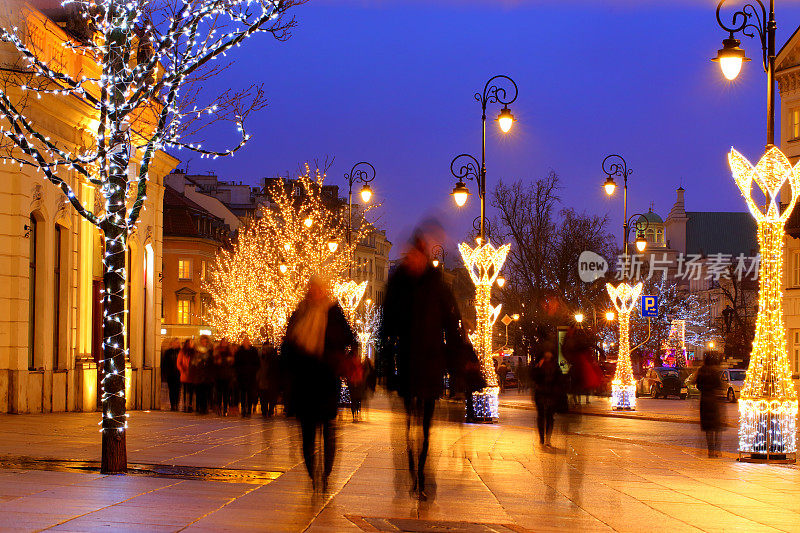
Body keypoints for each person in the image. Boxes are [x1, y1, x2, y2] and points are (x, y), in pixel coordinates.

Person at [380, 230, 468, 501]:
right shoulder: (398, 286)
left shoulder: (439, 287)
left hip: (430, 364)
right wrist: (386, 368)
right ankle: (411, 471)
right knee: (408, 424)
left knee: (427, 425)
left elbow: (453, 330)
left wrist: (457, 373)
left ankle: (423, 471)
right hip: (406, 363)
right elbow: (385, 331)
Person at [283, 277, 356, 492]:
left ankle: (325, 474)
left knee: (328, 429)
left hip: (326, 378)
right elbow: (287, 346)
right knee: (307, 434)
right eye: (313, 289)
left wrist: (341, 357)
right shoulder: (300, 313)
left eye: (319, 288)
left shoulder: (334, 312)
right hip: (304, 381)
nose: (316, 292)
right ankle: (313, 475)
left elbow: (350, 339)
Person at [531, 350, 563, 448]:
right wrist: (538, 368)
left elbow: (559, 379)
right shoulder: (539, 365)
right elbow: (534, 377)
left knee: (549, 416)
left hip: (551, 394)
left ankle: (548, 438)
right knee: (541, 416)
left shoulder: (555, 366)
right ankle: (542, 438)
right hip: (541, 393)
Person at [697, 353, 724, 457]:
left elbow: (698, 385)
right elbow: (719, 385)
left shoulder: (701, 370)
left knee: (708, 428)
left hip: (704, 401)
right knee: (716, 427)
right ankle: (717, 450)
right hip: (714, 400)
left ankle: (710, 450)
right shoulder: (715, 371)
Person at [234, 336, 260, 417]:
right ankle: (243, 409)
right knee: (242, 394)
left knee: (249, 394)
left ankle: (248, 409)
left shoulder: (253, 351)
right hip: (242, 375)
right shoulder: (239, 351)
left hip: (251, 375)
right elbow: (236, 363)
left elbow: (257, 363)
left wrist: (253, 370)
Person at [213, 338, 235, 416]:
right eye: (223, 342)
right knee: (219, 394)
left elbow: (232, 361)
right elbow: (216, 361)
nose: (224, 343)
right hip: (218, 375)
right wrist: (225, 360)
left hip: (227, 375)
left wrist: (223, 360)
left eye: (225, 342)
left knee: (226, 394)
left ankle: (225, 408)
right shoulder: (217, 350)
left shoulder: (230, 351)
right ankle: (219, 408)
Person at [258, 341, 279, 418]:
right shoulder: (273, 355)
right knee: (268, 396)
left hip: (267, 378)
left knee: (265, 396)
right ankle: (268, 410)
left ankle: (266, 411)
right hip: (268, 378)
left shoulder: (265, 356)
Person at [195, 335, 214, 414]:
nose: (203, 343)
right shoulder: (197, 351)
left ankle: (205, 408)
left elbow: (212, 362)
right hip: (199, 375)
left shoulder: (210, 351)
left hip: (207, 375)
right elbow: (193, 362)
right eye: (202, 341)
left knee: (206, 392)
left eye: (205, 341)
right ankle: (199, 407)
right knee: (199, 392)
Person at [161, 339, 181, 411]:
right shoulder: (168, 352)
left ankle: (176, 404)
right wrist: (165, 372)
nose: (176, 344)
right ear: (172, 343)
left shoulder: (180, 352)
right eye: (175, 342)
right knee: (171, 390)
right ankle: (173, 405)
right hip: (171, 374)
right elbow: (165, 363)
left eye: (177, 343)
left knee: (177, 389)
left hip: (179, 373)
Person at [177, 338, 196, 413]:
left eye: (192, 343)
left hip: (192, 374)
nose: (191, 344)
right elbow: (179, 362)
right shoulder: (182, 352)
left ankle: (190, 404)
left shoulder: (194, 352)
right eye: (189, 343)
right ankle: (185, 404)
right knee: (185, 390)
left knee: (191, 390)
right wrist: (182, 370)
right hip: (185, 374)